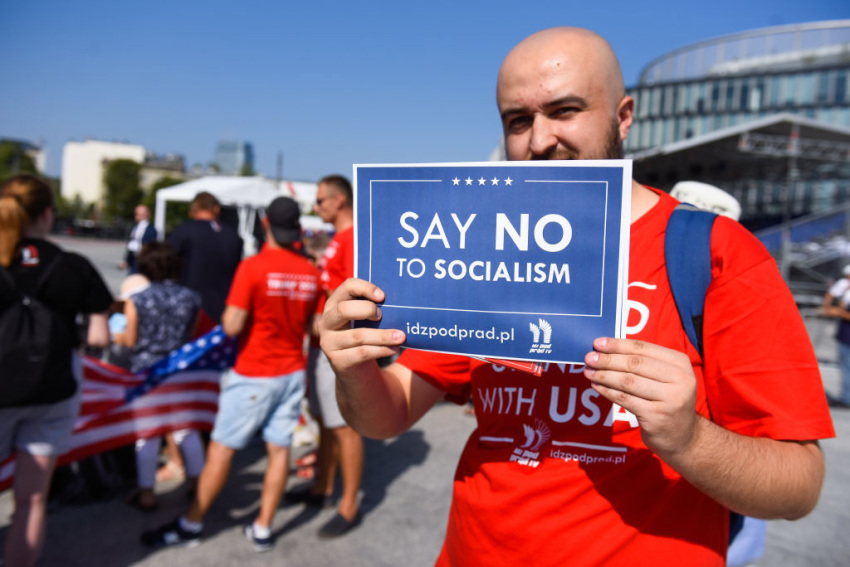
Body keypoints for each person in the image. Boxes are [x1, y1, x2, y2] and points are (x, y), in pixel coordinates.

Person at [318, 28, 835, 566]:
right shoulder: (480, 245)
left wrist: (688, 439)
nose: (539, 140)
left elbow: (798, 486)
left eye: (565, 110)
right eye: (518, 120)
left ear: (623, 115)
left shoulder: (717, 253)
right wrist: (353, 368)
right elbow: (387, 417)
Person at [142, 196, 321, 552]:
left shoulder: (254, 267)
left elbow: (232, 324)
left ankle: (191, 524)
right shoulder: (311, 272)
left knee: (222, 452)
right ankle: (263, 527)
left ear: (265, 224)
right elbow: (315, 328)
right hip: (290, 373)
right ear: (297, 229)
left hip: (254, 373)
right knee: (279, 451)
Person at [0, 175, 111, 567]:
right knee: (31, 502)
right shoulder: (73, 265)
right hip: (53, 389)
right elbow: (98, 335)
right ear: (47, 214)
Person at [287, 174, 363, 538]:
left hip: (339, 348)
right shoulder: (338, 239)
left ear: (339, 201)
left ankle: (349, 504)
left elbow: (353, 296)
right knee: (325, 422)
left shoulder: (353, 239)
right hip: (321, 346)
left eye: (320, 201)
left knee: (344, 427)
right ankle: (323, 487)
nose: (316, 207)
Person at [113, 241, 205, 511]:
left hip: (147, 371)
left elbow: (130, 340)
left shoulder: (137, 299)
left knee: (147, 434)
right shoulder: (191, 297)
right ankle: (197, 484)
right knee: (185, 430)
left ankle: (146, 493)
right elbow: (192, 334)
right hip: (179, 370)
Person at [168, 191, 242, 323]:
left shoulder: (184, 231)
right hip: (223, 309)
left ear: (192, 210)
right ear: (216, 209)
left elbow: (166, 264)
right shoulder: (232, 236)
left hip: (189, 308)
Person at [821, 264, 850, 408]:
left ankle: (847, 398)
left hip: (847, 337)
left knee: (846, 367)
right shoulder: (845, 289)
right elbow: (831, 295)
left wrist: (839, 312)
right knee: (845, 366)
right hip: (845, 335)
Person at [122, 204, 157, 274]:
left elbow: (151, 245)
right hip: (134, 260)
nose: (136, 216)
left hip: (144, 261)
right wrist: (127, 260)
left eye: (138, 214)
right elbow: (131, 244)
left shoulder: (151, 230)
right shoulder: (135, 227)